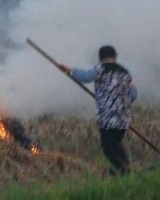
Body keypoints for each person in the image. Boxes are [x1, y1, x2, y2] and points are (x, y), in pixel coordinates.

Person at [58, 45, 137, 174]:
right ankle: (126, 169)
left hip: (108, 119)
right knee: (116, 145)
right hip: (124, 119)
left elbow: (86, 77)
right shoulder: (124, 72)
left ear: (100, 58)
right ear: (115, 57)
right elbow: (134, 95)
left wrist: (70, 70)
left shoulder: (101, 69)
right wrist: (122, 102)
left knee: (108, 147)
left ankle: (123, 172)